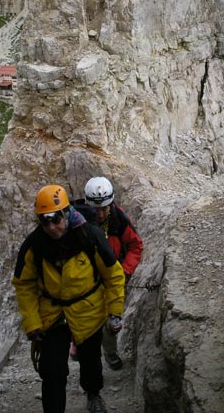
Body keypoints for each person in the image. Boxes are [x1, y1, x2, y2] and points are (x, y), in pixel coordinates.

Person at [12, 184, 125, 413]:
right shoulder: (35, 245)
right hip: (53, 315)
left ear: (66, 213)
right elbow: (23, 285)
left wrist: (115, 311)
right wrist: (32, 324)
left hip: (88, 310)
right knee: (52, 370)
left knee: (91, 360)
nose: (52, 227)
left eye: (56, 219)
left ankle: (93, 393)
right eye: (45, 221)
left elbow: (113, 274)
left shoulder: (89, 235)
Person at [75, 176, 143, 370]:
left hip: (112, 278)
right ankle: (79, 346)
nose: (101, 213)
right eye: (97, 210)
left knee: (112, 321)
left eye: (105, 208)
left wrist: (124, 271)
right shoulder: (77, 225)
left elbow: (135, 245)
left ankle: (110, 352)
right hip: (87, 281)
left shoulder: (117, 218)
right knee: (83, 316)